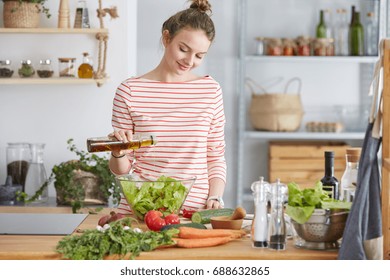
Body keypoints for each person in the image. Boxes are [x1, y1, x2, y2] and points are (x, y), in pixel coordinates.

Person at [109, 0, 226, 214]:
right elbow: (123, 171)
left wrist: (215, 196)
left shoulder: (210, 90)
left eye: (199, 55)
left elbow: (215, 155)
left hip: (194, 215)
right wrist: (117, 152)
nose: (190, 61)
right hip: (143, 210)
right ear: (166, 38)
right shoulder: (130, 91)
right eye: (183, 49)